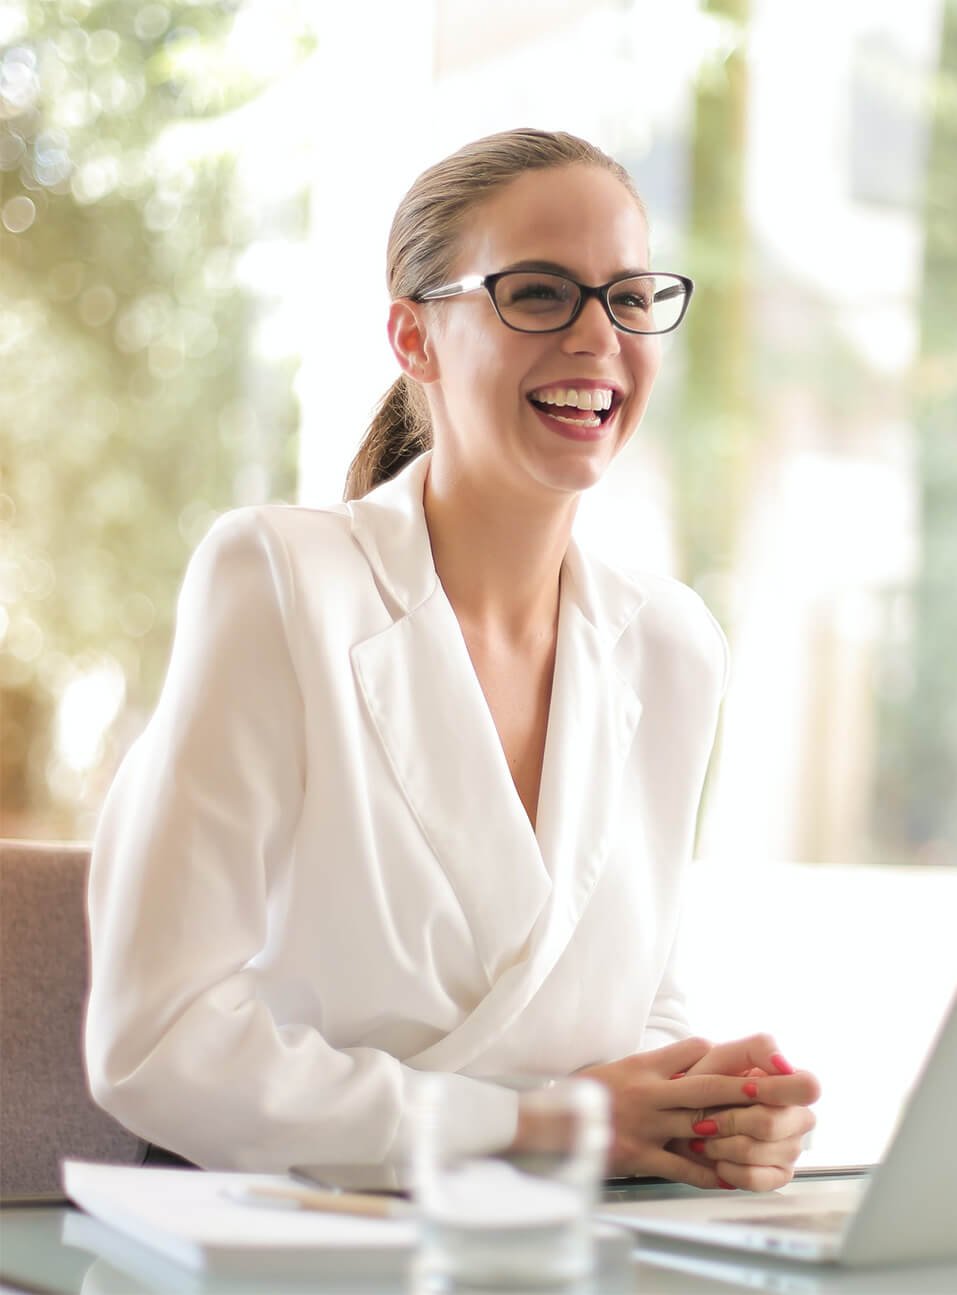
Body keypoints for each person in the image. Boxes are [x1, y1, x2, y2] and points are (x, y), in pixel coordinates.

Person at [86, 128, 819, 1191]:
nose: (597, 336)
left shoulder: (671, 646)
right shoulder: (281, 582)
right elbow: (154, 1041)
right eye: (537, 293)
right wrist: (537, 1122)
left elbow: (637, 998)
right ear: (413, 336)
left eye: (628, 295)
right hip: (294, 1229)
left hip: (545, 1238)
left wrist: (705, 1111)